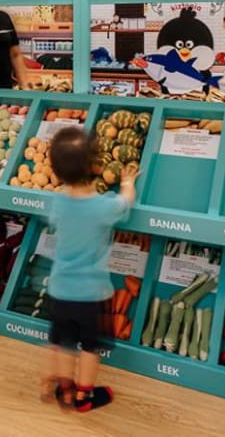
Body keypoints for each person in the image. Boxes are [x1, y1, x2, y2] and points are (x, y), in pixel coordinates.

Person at [41, 126, 138, 412]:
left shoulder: (58, 203)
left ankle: (65, 388)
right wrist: (127, 183)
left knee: (63, 343)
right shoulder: (103, 207)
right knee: (89, 348)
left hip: (59, 290)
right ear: (95, 166)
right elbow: (125, 202)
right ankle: (84, 396)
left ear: (56, 172)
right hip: (91, 294)